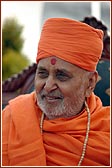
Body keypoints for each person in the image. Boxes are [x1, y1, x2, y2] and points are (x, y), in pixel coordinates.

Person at [2, 18, 110, 166]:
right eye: (43, 73)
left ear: (90, 83)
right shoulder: (11, 119)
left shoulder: (106, 132)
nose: (48, 86)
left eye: (61, 75)